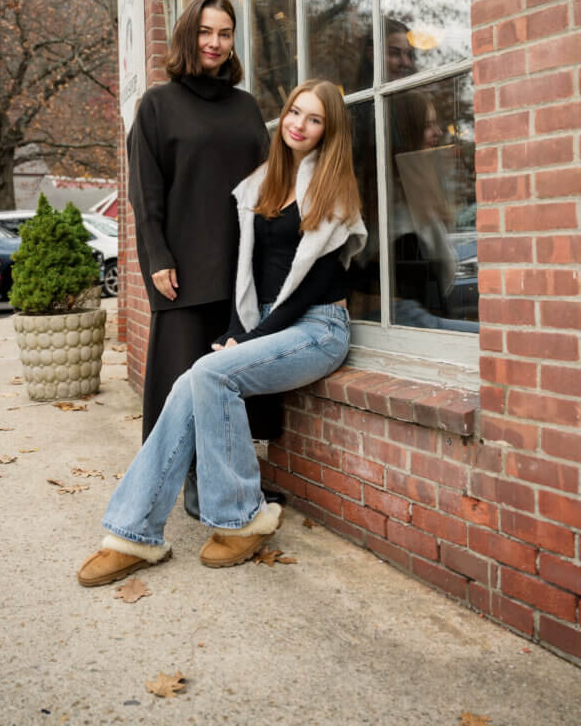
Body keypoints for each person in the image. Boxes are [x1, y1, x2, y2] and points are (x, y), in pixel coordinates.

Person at [77, 79, 367, 586]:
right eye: (295, 112)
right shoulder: (263, 184)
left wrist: (250, 338)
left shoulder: (333, 189)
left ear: (329, 130)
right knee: (194, 378)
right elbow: (247, 274)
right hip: (270, 324)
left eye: (314, 119)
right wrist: (237, 328)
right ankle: (132, 533)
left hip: (319, 327)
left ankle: (239, 517)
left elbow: (309, 287)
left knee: (210, 374)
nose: (299, 124)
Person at [126, 0, 276, 518]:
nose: (215, 43)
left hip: (242, 265)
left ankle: (232, 478)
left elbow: (267, 182)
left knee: (235, 378)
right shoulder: (158, 105)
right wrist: (158, 257)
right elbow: (145, 193)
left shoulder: (245, 105)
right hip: (185, 269)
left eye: (226, 33)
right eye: (206, 32)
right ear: (189, 36)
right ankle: (189, 479)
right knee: (183, 381)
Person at [389, 90, 477, 332]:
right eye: (428, 125)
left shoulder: (424, 191)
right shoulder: (397, 206)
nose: (438, 132)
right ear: (408, 132)